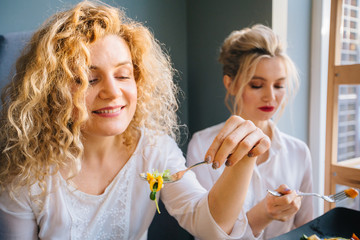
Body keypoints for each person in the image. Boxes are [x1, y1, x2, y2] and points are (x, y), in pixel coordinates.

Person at [0, 2, 270, 239]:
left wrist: (244, 159)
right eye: (89, 79)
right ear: (53, 91)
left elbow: (210, 227)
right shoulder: (24, 175)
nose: (112, 92)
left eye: (123, 75)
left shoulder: (154, 149)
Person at [186, 24, 313, 239]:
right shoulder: (202, 145)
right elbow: (208, 233)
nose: (270, 97)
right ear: (231, 84)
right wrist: (264, 214)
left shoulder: (299, 152)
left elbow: (310, 228)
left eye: (279, 85)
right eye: (256, 85)